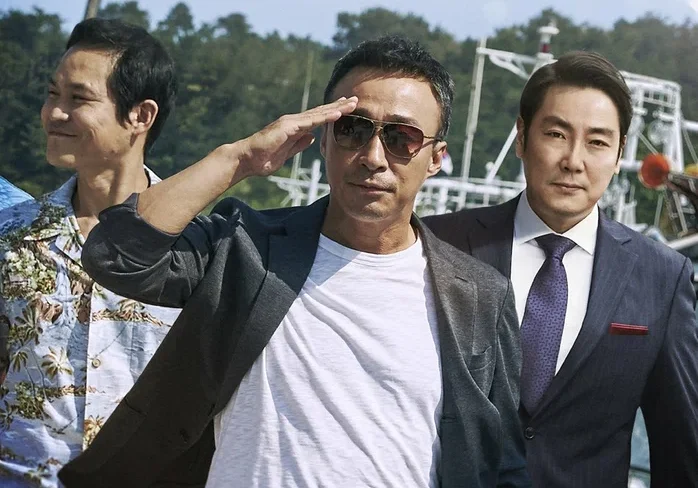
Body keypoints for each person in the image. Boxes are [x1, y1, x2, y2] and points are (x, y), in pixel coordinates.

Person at [58, 37, 529, 487]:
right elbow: (115, 256)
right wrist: (238, 159)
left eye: (401, 138)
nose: (372, 157)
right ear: (323, 140)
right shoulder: (247, 250)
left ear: (435, 158)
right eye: (352, 129)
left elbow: (501, 462)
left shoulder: (477, 298)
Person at [424, 51, 698, 487]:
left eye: (597, 142)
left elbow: (680, 447)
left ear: (619, 153)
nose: (574, 160)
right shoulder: (440, 244)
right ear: (521, 137)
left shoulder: (662, 278)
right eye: (556, 134)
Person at [0, 18, 180, 486]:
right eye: (52, 94)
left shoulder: (195, 251)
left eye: (78, 99)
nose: (54, 113)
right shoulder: (10, 235)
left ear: (141, 116)